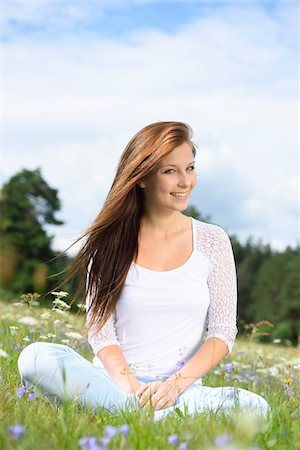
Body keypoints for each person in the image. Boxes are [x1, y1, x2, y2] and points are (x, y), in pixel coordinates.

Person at [17, 121, 271, 421]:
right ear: (142, 178)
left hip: (183, 392)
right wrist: (131, 387)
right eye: (170, 171)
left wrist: (175, 386)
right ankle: (143, 415)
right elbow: (101, 332)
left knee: (257, 407)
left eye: (190, 168)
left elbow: (223, 333)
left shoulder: (213, 241)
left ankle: (132, 416)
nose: (185, 182)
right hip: (116, 384)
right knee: (35, 358)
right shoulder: (108, 243)